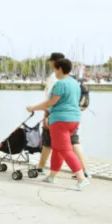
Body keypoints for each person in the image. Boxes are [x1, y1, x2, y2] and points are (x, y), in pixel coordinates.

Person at [26, 58, 88, 190]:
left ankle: (81, 178)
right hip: (74, 120)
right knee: (58, 148)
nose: (54, 72)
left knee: (65, 150)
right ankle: (52, 176)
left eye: (54, 69)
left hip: (61, 120)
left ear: (60, 69)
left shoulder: (60, 84)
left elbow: (50, 102)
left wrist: (33, 108)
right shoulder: (74, 83)